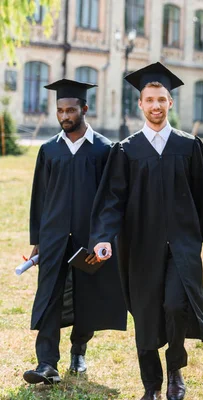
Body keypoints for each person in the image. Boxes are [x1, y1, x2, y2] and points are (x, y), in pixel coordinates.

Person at [89, 62, 203, 400]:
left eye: (162, 99)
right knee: (146, 313)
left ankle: (175, 370)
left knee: (175, 305)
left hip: (181, 243)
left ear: (170, 103)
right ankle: (151, 384)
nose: (155, 105)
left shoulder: (188, 146)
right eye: (149, 99)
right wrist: (103, 236)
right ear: (140, 104)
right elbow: (112, 200)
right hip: (139, 246)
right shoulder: (127, 150)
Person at [25, 79, 127, 385]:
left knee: (87, 297)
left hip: (90, 239)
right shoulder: (49, 150)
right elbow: (39, 199)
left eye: (71, 110)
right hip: (54, 238)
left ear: (84, 108)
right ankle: (46, 363)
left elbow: (113, 198)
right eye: (60, 110)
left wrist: (104, 238)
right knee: (49, 296)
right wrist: (37, 241)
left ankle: (78, 349)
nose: (65, 116)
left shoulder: (105, 150)